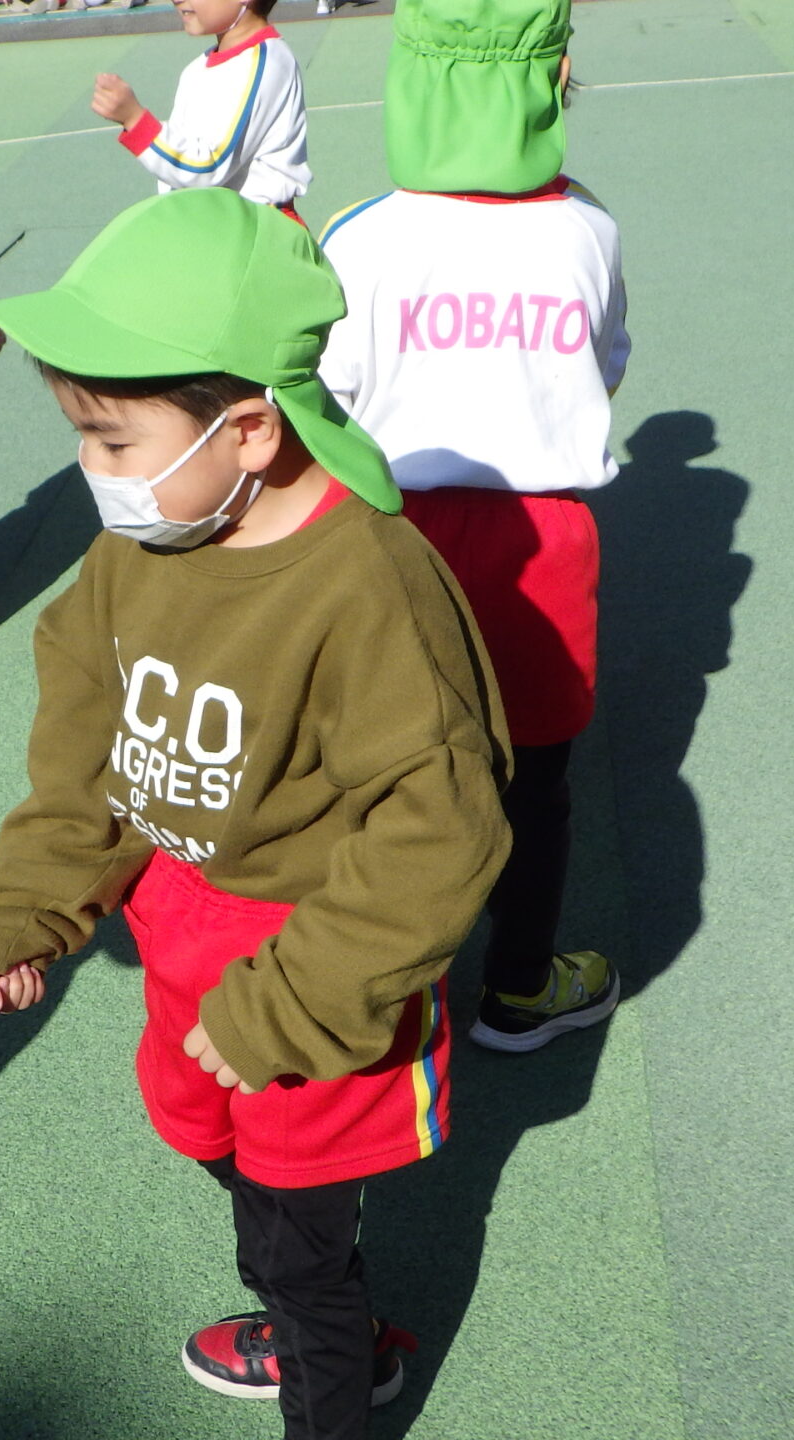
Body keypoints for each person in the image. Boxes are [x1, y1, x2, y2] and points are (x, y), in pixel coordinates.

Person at [0, 188, 511, 1440]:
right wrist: (30, 905)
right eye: (80, 437)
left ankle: (333, 1363)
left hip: (314, 957)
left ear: (250, 430)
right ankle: (314, 1310)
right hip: (183, 932)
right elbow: (87, 752)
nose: (91, 473)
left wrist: (294, 1002)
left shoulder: (369, 584)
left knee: (298, 1252)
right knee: (222, 1155)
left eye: (112, 442)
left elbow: (441, 827)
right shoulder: (137, 550)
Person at [317, 0, 626, 1053]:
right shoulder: (588, 227)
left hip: (390, 536)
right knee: (535, 783)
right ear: (552, 78)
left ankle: (373, 987)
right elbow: (605, 365)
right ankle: (521, 986)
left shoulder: (359, 234)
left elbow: (325, 395)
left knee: (388, 770)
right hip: (543, 542)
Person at [87, 0, 307, 217]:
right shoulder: (197, 68)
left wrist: (135, 121)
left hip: (255, 229)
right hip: (212, 225)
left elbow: (207, 167)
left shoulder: (264, 63)